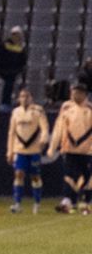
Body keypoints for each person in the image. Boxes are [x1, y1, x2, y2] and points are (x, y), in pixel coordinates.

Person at [50, 83, 92, 214]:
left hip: (87, 150)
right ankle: (68, 201)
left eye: (78, 92)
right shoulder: (66, 107)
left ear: (85, 94)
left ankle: (86, 202)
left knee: (85, 177)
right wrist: (52, 147)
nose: (75, 95)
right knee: (69, 175)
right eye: (73, 92)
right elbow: (59, 127)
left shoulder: (90, 109)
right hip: (69, 148)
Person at [6, 87, 50, 213]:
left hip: (34, 149)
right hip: (19, 149)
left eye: (27, 96)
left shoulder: (38, 111)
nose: (24, 99)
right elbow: (11, 132)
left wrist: (43, 140)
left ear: (31, 98)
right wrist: (10, 151)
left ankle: (37, 202)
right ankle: (17, 203)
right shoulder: (15, 112)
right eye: (22, 96)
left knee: (35, 176)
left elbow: (44, 127)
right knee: (18, 174)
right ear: (19, 98)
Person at [0, 27, 26, 105]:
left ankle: (10, 102)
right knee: (7, 86)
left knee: (10, 87)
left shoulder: (20, 47)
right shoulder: (4, 45)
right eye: (14, 34)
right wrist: (2, 64)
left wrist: (18, 68)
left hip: (14, 71)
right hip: (4, 70)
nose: (16, 36)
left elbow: (23, 59)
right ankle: (5, 103)